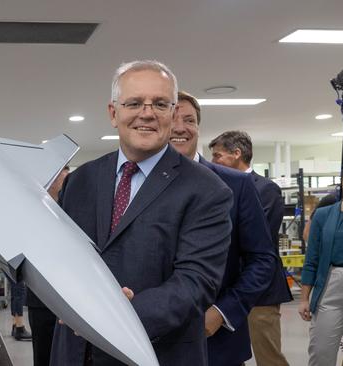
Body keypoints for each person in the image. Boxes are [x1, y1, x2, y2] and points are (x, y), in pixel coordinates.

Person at [50, 60, 233, 366]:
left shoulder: (207, 190)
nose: (146, 113)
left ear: (173, 114)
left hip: (157, 352)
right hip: (75, 352)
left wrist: (115, 316)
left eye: (160, 104)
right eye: (134, 103)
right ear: (113, 113)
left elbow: (195, 282)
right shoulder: (80, 181)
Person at [170, 92, 277, 366]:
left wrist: (223, 311)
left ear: (198, 127)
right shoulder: (133, 185)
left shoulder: (235, 185)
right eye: (172, 118)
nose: (180, 127)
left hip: (217, 341)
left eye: (189, 120)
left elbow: (262, 259)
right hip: (148, 340)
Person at [209, 130, 293, 366]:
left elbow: (256, 240)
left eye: (218, 156)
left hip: (259, 292)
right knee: (230, 357)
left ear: (237, 154)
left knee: (267, 355)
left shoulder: (266, 189)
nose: (213, 161)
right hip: (225, 293)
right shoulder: (215, 186)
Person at [300, 158, 343, 366]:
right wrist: (304, 298)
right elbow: (312, 259)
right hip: (329, 284)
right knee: (320, 352)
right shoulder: (324, 215)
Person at [27, 166, 70, 364]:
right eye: (62, 171)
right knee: (43, 354)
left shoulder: (75, 208)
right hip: (42, 297)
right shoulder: (32, 210)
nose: (67, 176)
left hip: (72, 299)